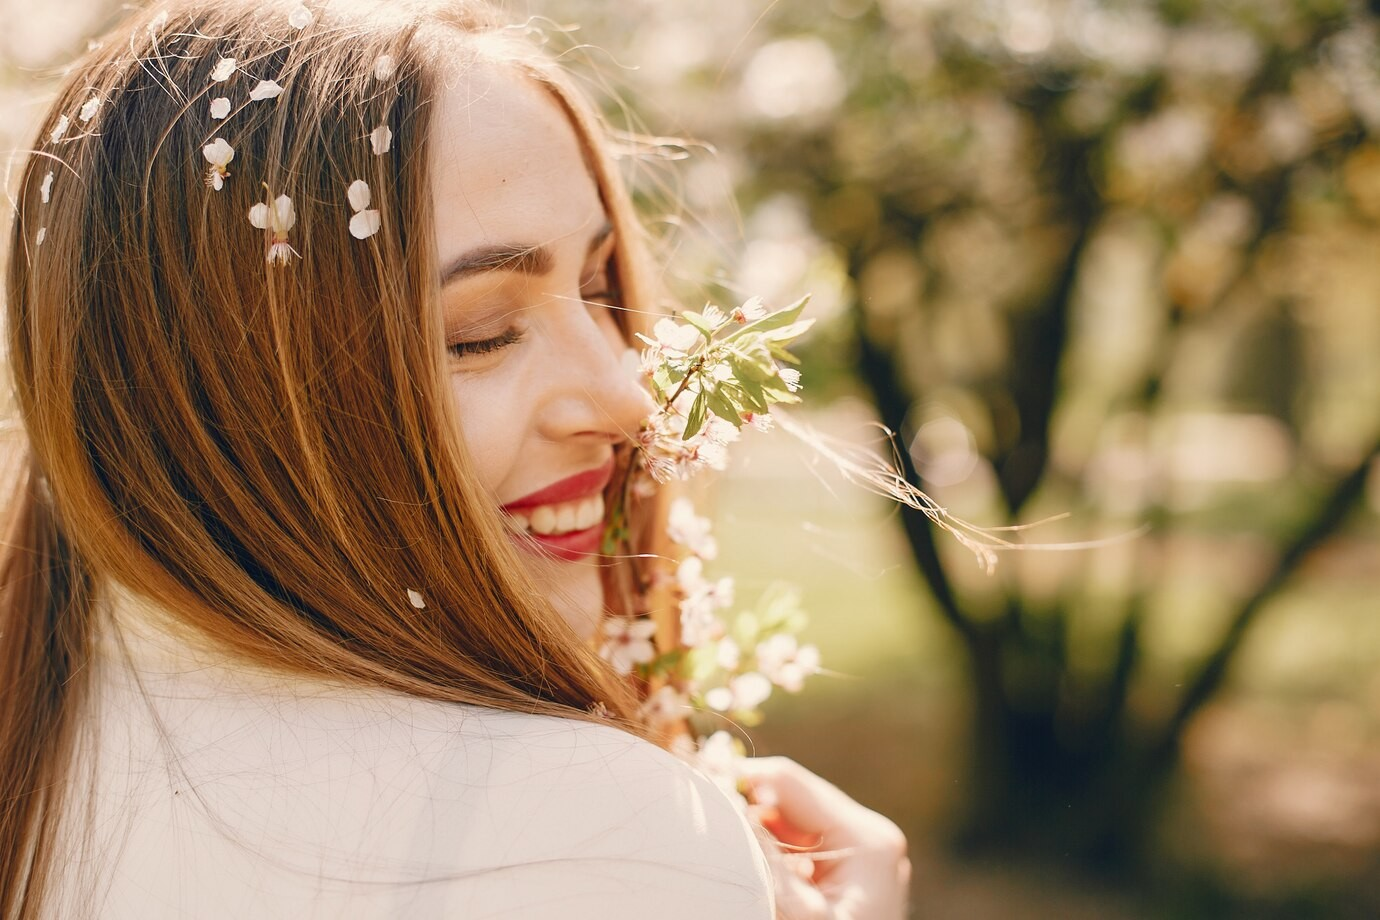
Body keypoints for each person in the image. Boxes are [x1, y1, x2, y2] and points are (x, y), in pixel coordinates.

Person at [0, 1, 910, 917]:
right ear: (217, 395)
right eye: (478, 333)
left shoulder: (38, 737)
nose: (625, 398)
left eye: (599, 287)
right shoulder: (604, 835)